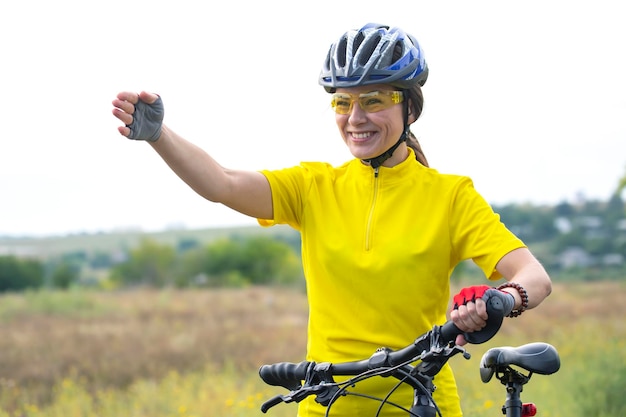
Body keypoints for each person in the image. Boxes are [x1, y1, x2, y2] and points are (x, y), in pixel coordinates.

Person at [111, 23, 552, 417]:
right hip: (325, 403)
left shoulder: (450, 195)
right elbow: (221, 183)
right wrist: (159, 136)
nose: (355, 118)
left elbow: (534, 276)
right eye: (343, 102)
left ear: (411, 109)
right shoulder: (313, 187)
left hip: (421, 401)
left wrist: (503, 298)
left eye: (374, 101)